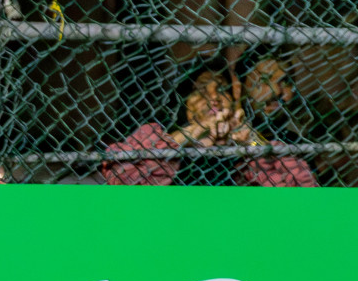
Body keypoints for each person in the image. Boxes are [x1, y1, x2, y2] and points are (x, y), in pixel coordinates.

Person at [103, 59, 316, 187]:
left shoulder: (250, 149)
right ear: (184, 105)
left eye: (222, 89)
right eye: (201, 90)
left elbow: (303, 191)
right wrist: (191, 133)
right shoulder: (156, 134)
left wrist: (250, 142)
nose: (214, 97)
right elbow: (120, 179)